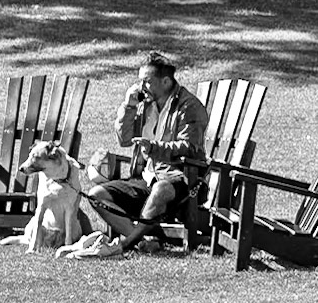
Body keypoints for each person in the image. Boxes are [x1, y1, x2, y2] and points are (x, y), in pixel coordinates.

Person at [62, 51, 210, 259]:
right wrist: (129, 106)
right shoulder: (145, 104)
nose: (141, 86)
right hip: (147, 178)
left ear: (166, 81)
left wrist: (154, 148)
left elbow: (190, 147)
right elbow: (124, 139)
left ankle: (123, 245)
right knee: (97, 195)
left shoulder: (189, 106)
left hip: (182, 180)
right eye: (140, 81)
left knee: (160, 189)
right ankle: (143, 242)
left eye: (147, 81)